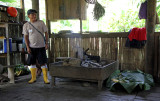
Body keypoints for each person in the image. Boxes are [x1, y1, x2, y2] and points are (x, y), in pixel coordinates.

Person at [23, 9, 50, 84]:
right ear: (28, 16)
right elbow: (26, 37)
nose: (34, 16)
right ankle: (33, 78)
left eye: (35, 14)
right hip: (31, 47)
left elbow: (46, 33)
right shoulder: (26, 25)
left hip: (41, 46)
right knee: (32, 63)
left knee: (43, 62)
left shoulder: (41, 23)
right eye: (32, 14)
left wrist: (46, 43)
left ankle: (46, 79)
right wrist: (27, 47)